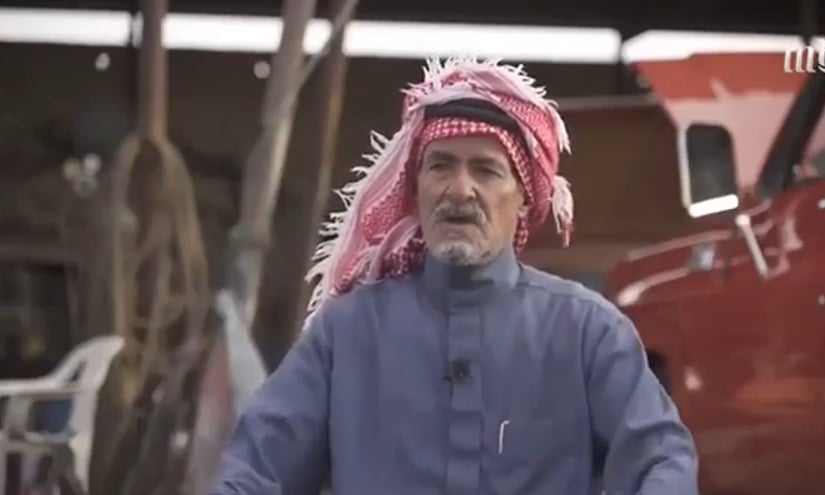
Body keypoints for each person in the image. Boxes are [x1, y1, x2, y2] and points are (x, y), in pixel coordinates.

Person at [210, 57, 698, 495]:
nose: (460, 190)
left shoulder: (587, 332)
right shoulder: (348, 332)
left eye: (486, 170)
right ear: (416, 187)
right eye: (441, 166)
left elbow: (661, 460)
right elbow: (257, 469)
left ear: (524, 197)